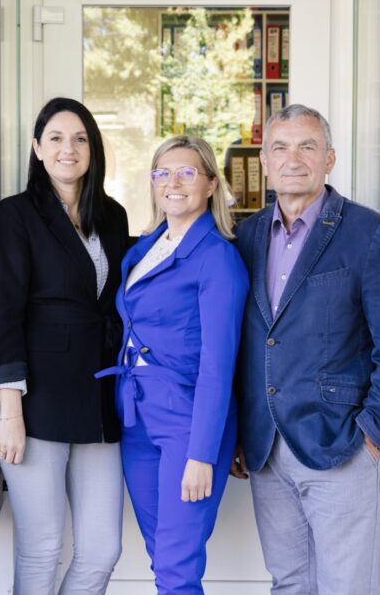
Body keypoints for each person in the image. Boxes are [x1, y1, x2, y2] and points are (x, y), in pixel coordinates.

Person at [231, 105, 380, 594]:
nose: (293, 159)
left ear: (329, 159)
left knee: (345, 586)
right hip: (265, 446)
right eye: (280, 147)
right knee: (289, 582)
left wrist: (373, 435)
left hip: (341, 443)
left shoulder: (371, 234)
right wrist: (237, 432)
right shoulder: (246, 236)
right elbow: (245, 342)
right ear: (265, 162)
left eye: (307, 146)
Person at [0, 97, 130, 594]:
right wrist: (10, 410)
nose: (69, 148)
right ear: (37, 148)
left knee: (102, 549)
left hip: (98, 401)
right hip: (35, 404)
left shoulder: (112, 216)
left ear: (93, 149)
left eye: (80, 138)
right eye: (56, 138)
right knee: (42, 547)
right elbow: (3, 315)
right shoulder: (16, 215)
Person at [97, 135, 249, 595]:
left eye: (187, 172)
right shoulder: (146, 246)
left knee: (177, 567)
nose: (173, 183)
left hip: (187, 421)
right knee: (161, 555)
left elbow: (218, 366)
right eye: (162, 173)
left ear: (211, 184)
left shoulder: (218, 258)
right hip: (136, 417)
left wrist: (202, 453)